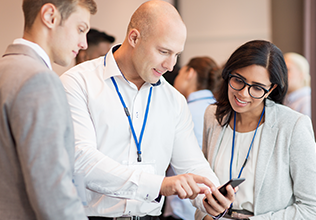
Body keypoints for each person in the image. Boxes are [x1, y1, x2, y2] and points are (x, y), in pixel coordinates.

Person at [60, 1, 235, 219]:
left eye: (177, 55)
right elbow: (82, 161)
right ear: (134, 38)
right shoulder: (78, 83)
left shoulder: (174, 101)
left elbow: (192, 164)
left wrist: (211, 195)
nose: (171, 65)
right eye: (164, 51)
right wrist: (159, 185)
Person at [196, 40, 316, 220]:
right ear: (228, 74)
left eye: (257, 87)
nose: (243, 94)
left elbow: (313, 207)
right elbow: (203, 184)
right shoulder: (213, 115)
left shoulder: (293, 125)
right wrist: (205, 215)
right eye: (238, 80)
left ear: (271, 88)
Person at [0, 0, 97, 219]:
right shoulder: (39, 80)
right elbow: (53, 190)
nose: (83, 44)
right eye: (80, 29)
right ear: (50, 16)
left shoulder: (6, 70)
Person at [163, 56, 220, 220]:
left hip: (182, 203)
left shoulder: (182, 111)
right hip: (213, 204)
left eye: (179, 72)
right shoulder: (221, 111)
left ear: (189, 73)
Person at [283, 52, 311, 117]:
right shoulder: (287, 100)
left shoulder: (307, 102)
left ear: (302, 74)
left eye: (288, 70)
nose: (283, 75)